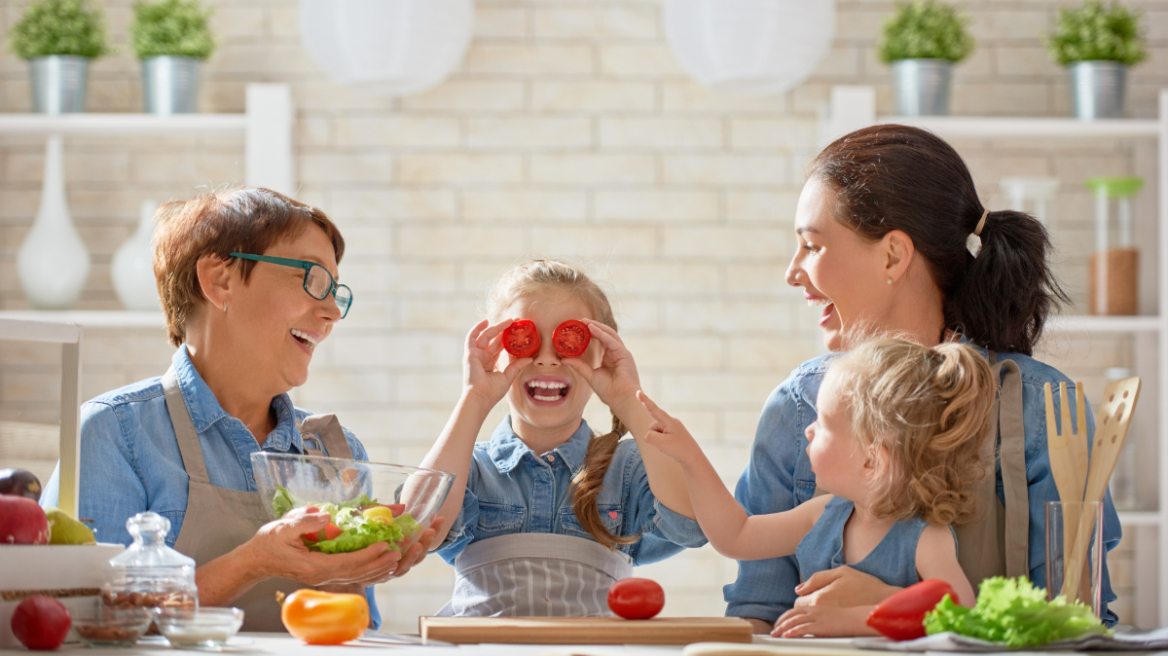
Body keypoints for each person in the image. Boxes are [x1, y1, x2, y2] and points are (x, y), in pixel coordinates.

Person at [725, 124, 1122, 631]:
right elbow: (758, 616)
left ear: (893, 255)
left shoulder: (1040, 408)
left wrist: (896, 606)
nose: (792, 272)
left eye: (812, 246)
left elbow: (1077, 625)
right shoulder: (797, 406)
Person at [41, 187, 440, 631]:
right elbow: (83, 621)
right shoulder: (116, 434)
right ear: (220, 280)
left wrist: (364, 568)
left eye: (335, 291)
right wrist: (254, 562)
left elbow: (354, 630)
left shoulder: (335, 453)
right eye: (312, 279)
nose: (332, 312)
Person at [638, 339, 995, 637]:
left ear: (872, 461)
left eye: (822, 423)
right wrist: (690, 458)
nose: (808, 430)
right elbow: (735, 536)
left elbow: (962, 613)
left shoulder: (925, 538)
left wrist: (852, 620)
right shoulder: (823, 514)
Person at [420, 259, 705, 616]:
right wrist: (473, 399)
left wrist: (627, 398)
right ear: (497, 351)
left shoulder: (627, 468)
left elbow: (695, 524)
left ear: (603, 354)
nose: (546, 359)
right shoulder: (472, 467)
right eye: (524, 340)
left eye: (570, 341)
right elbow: (415, 528)